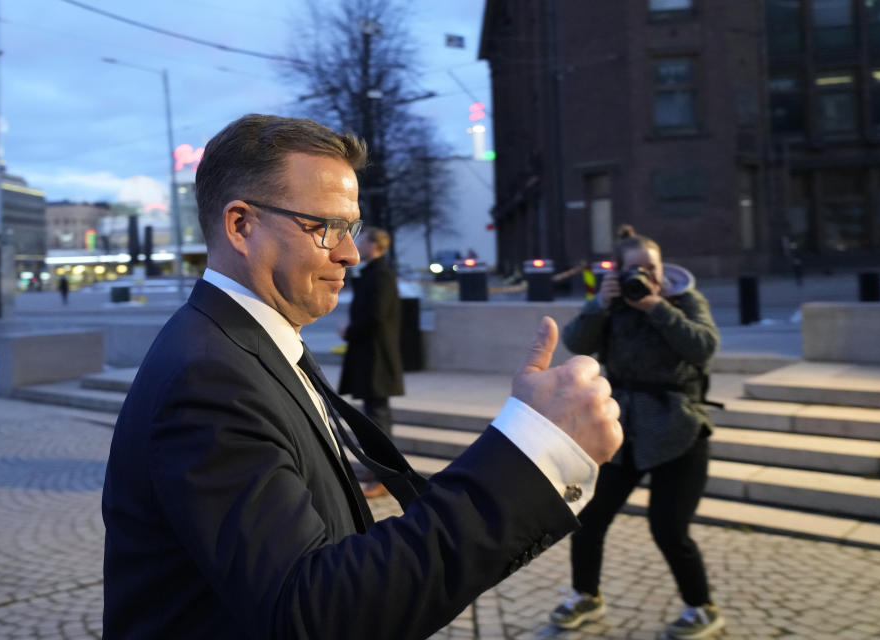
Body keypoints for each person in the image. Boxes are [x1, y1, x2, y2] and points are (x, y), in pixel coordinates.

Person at [101, 114, 623, 639]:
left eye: (349, 227)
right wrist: (536, 450)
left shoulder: (236, 345)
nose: (350, 251)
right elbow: (316, 612)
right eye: (325, 227)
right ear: (241, 225)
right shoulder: (210, 376)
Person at [549, 224, 724, 639]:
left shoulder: (685, 299)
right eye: (636, 269)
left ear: (663, 268)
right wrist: (598, 303)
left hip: (679, 430)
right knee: (588, 520)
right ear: (620, 272)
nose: (645, 277)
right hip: (622, 431)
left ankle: (702, 608)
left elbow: (704, 345)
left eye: (652, 268)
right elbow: (576, 343)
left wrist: (656, 307)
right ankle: (586, 596)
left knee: (669, 529)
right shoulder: (613, 305)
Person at [337, 226, 403, 499]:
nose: (357, 247)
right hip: (370, 357)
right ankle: (377, 469)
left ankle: (386, 477)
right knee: (373, 414)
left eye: (361, 241)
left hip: (377, 358)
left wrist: (349, 331)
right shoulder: (374, 273)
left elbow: (376, 317)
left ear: (374, 245)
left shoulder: (381, 276)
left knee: (378, 418)